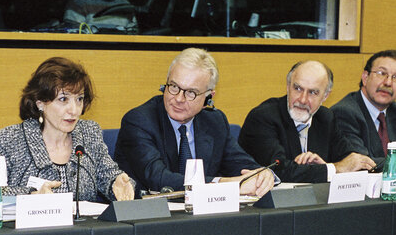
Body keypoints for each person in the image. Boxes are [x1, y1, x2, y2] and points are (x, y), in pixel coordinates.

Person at [0, 57, 134, 202]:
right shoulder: (10, 140)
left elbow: (109, 174)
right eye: (63, 99)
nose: (74, 110)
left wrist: (117, 182)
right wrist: (30, 195)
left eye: (79, 99)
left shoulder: (89, 133)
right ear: (41, 103)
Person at [114, 48, 274, 196]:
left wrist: (261, 174)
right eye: (174, 87)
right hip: (151, 217)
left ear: (208, 97)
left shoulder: (214, 121)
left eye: (191, 93)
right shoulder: (140, 121)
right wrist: (225, 184)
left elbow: (240, 163)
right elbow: (159, 180)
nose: (178, 98)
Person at [239, 60, 375, 183]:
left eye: (313, 93)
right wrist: (333, 169)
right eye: (297, 88)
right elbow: (279, 170)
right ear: (287, 86)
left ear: (325, 96)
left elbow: (351, 160)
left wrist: (325, 166)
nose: (303, 100)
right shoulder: (263, 118)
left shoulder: (325, 118)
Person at [331, 50, 396, 168]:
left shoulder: (393, 111)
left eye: (395, 77)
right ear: (365, 78)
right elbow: (362, 163)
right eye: (381, 73)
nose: (388, 82)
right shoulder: (344, 113)